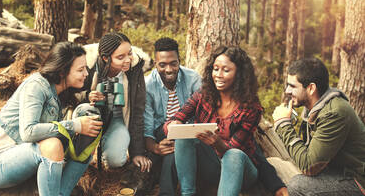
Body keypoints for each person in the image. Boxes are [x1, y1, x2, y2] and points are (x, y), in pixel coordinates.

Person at [165, 46, 287, 196]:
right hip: (211, 166)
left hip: (241, 170)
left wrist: (217, 143)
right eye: (215, 69)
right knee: (184, 137)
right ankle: (187, 193)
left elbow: (232, 151)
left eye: (226, 70)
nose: (218, 75)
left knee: (234, 155)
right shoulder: (204, 94)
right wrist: (173, 125)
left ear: (239, 74)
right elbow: (176, 118)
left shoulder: (250, 108)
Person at [0, 42, 99, 196]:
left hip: (25, 159)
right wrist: (74, 125)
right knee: (52, 145)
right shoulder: (36, 85)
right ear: (62, 72)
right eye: (80, 70)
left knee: (87, 126)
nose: (86, 74)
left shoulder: (60, 91)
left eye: (86, 68)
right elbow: (28, 132)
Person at [272, 57, 365, 196]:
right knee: (274, 165)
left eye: (292, 86)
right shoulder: (314, 109)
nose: (286, 91)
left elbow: (309, 166)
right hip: (334, 173)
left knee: (298, 186)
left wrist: (283, 124)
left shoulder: (334, 113)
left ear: (311, 88)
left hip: (356, 182)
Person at [75, 32, 152, 173]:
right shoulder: (89, 66)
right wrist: (88, 96)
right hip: (92, 116)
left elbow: (137, 111)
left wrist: (137, 152)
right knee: (85, 109)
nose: (128, 60)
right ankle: (78, 158)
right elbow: (71, 94)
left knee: (116, 160)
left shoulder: (135, 70)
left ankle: (108, 146)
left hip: (119, 118)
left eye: (129, 53)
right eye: (120, 57)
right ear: (105, 58)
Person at [144, 37, 201, 195]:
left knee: (176, 145)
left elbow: (202, 116)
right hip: (161, 133)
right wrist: (156, 148)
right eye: (162, 64)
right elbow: (147, 129)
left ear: (179, 61)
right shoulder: (147, 86)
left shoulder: (193, 79)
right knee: (172, 146)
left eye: (173, 63)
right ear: (155, 64)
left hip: (190, 133)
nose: (168, 69)